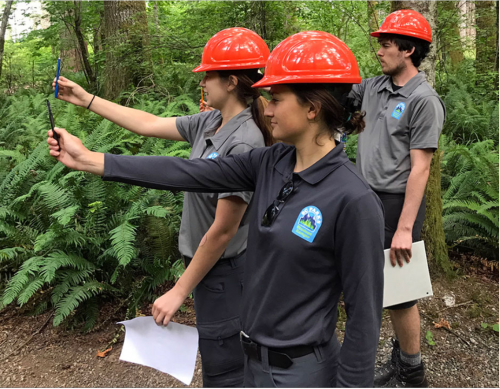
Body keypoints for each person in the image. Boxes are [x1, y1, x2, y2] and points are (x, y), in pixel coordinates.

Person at [48, 31, 385, 387]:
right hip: (253, 361)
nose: (266, 108)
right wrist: (91, 160)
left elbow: (364, 317)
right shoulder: (272, 162)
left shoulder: (354, 200)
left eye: (276, 99)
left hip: (301, 373)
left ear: (312, 108)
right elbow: (189, 172)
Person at [53, 27, 273, 388]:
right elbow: (148, 124)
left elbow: (223, 230)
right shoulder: (211, 121)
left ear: (231, 81)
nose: (202, 83)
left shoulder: (246, 140)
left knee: (226, 366)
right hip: (205, 269)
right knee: (220, 358)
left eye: (208, 75)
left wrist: (178, 291)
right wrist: (86, 98)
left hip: (225, 272)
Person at [349, 9, 445, 388]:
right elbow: (334, 92)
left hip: (396, 204)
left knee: (400, 293)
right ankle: (396, 357)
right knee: (369, 285)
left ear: (408, 49)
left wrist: (405, 228)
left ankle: (413, 370)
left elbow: (420, 169)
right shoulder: (373, 88)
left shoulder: (424, 100)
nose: (379, 51)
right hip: (363, 199)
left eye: (386, 44)